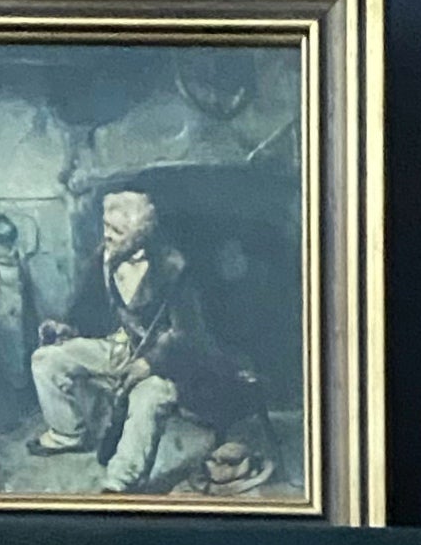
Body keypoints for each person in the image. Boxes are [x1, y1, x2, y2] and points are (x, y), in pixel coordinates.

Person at [29, 183, 271, 493]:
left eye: (115, 229)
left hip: (173, 363)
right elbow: (86, 307)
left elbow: (188, 336)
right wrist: (66, 328)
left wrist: (148, 364)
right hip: (122, 344)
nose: (106, 235)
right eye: (105, 226)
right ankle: (67, 434)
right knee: (48, 358)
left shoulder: (175, 268)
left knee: (150, 396)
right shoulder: (105, 255)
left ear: (139, 231)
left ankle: (120, 483)